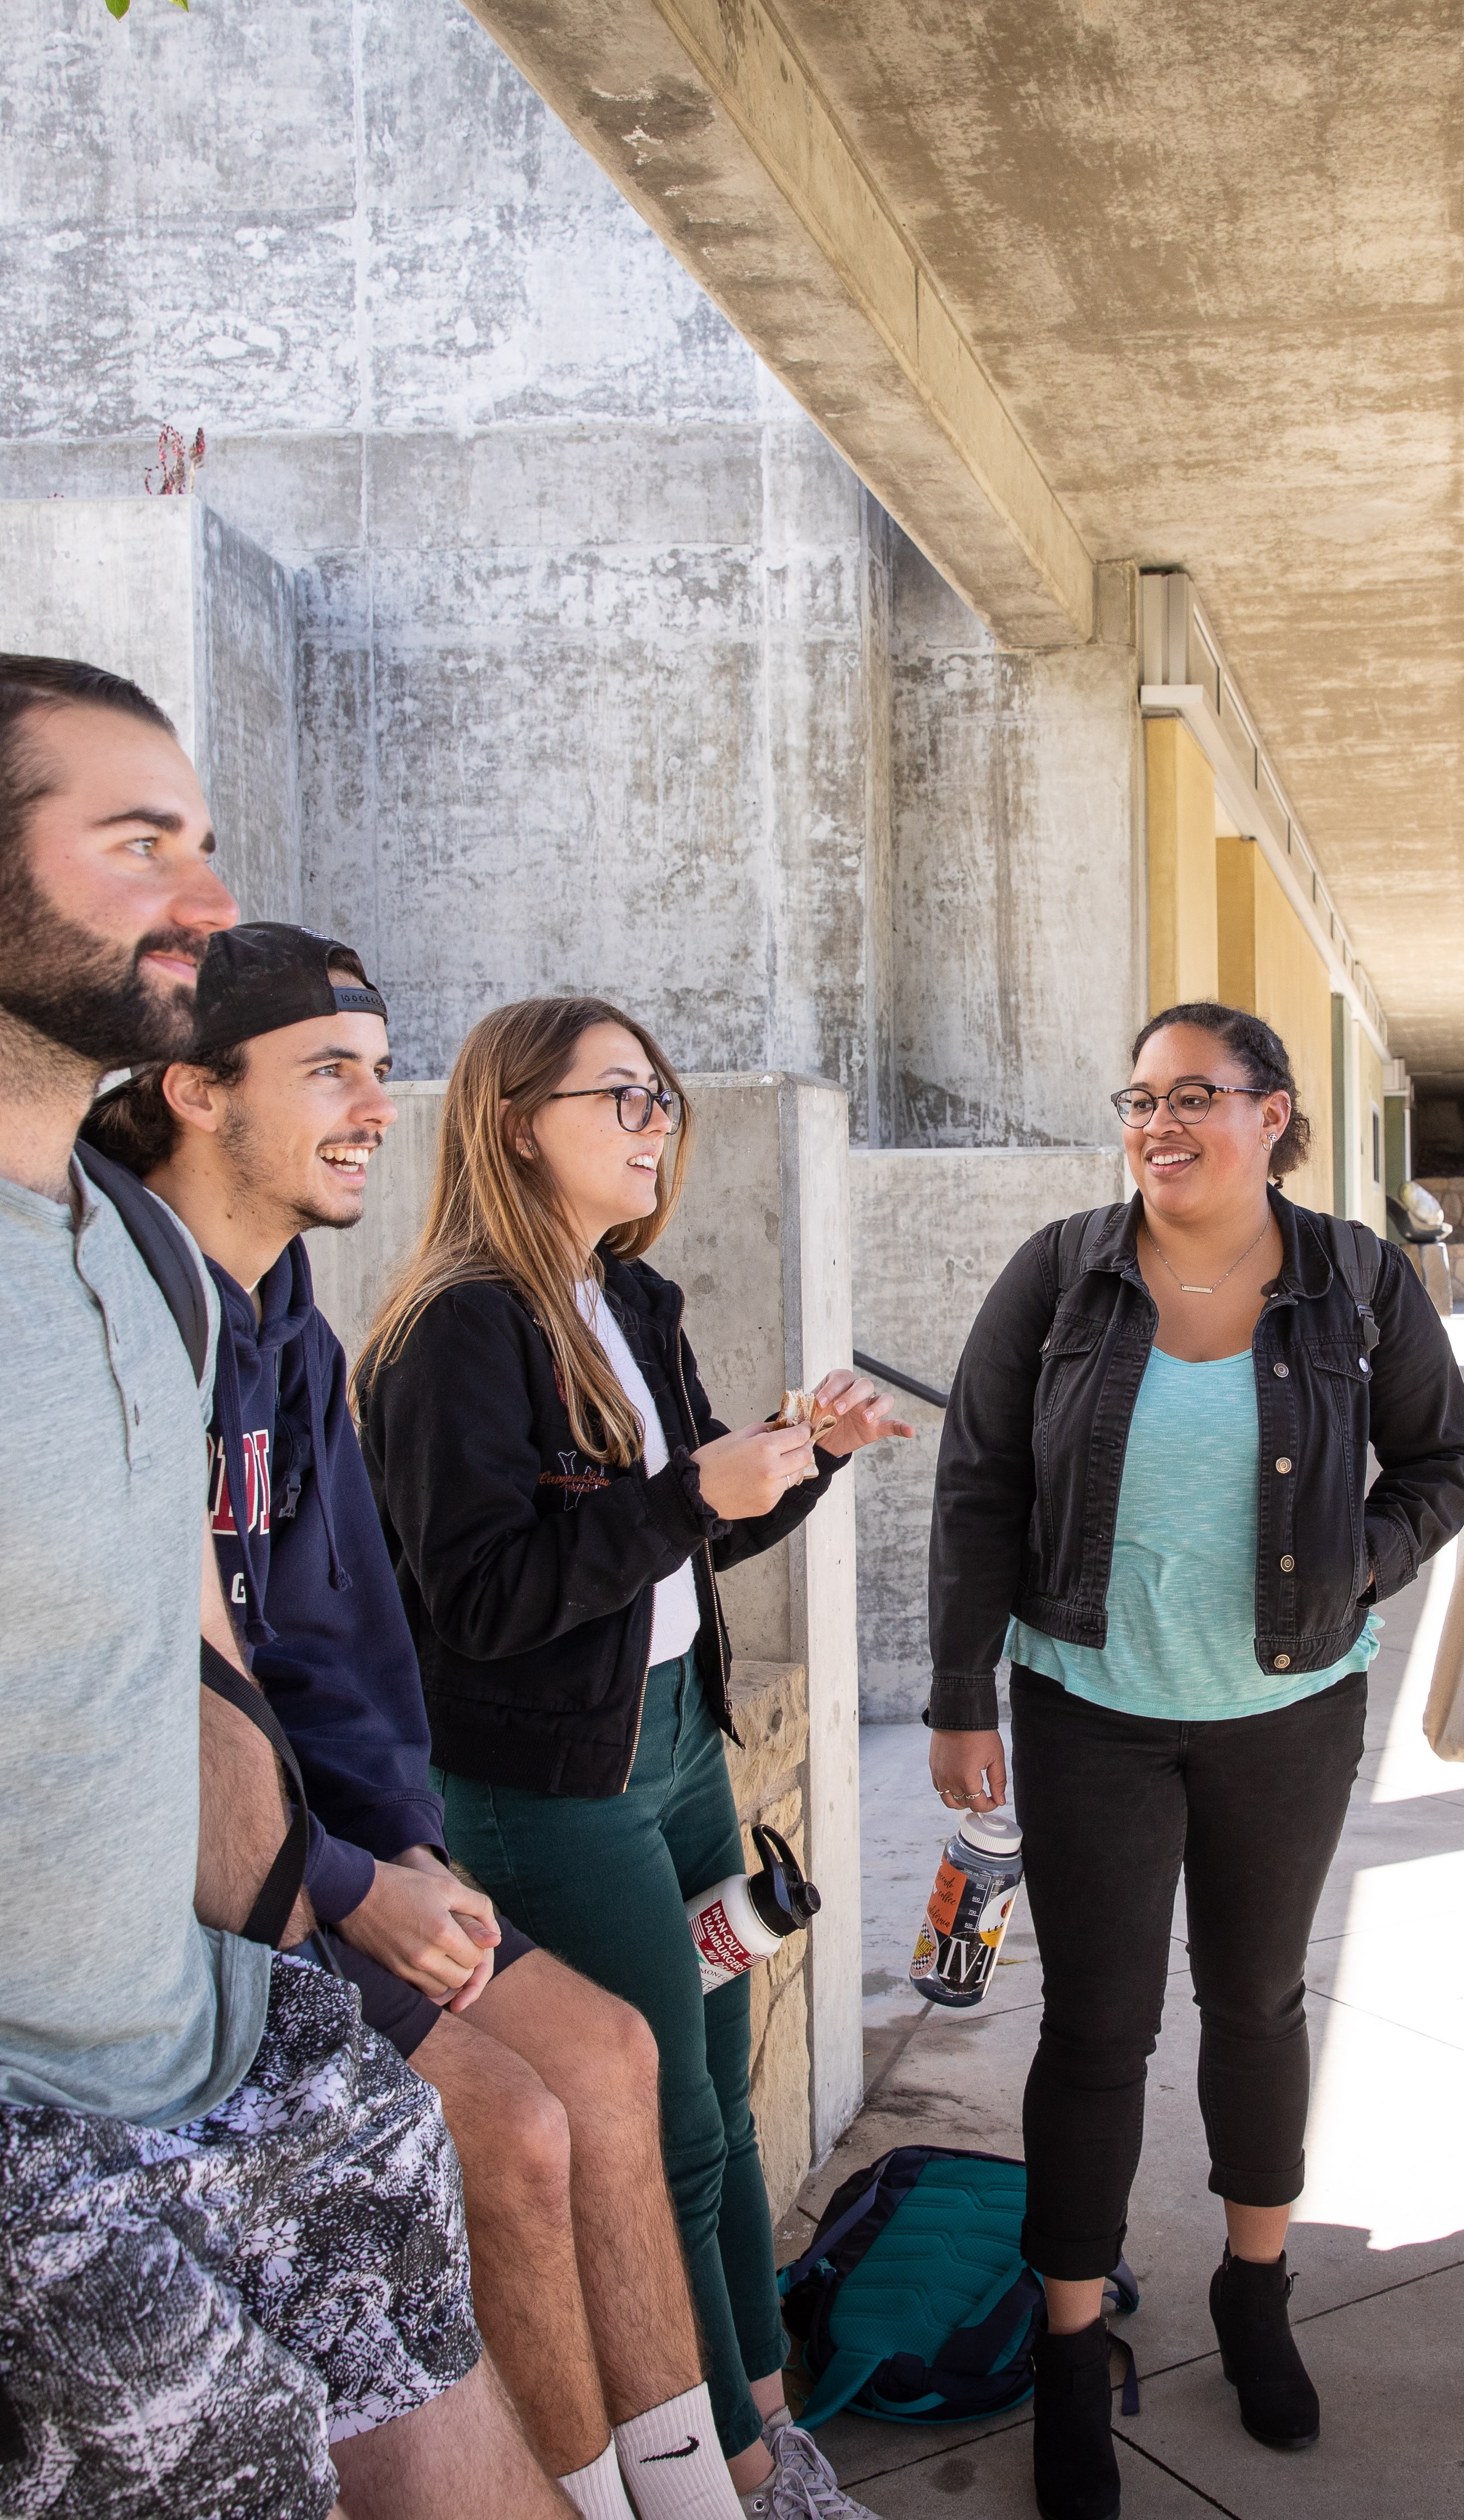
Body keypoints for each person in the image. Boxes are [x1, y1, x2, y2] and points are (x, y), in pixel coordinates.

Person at [86, 923, 777, 2520]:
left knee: (617, 2058)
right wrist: (354, 1880)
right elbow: (173, 1688)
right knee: (530, 2129)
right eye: (331, 1069)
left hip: (366, 1837)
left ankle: (710, 2493)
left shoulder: (290, 1327)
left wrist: (395, 1844)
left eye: (381, 1070)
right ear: (193, 1090)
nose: (374, 1104)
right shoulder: (137, 1319)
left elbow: (339, 1654)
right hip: (193, 1899)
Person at [0, 654, 568, 2518]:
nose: (208, 896)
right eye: (140, 841)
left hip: (223, 2033)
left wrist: (326, 1907)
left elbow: (223, 1663)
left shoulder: (136, 1265)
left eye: (209, 843)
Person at [925, 1001, 1464, 2520]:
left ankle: (1254, 2292)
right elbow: (977, 1477)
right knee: (1096, 2032)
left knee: (1253, 2003)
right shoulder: (1062, 1272)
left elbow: (1445, 1460)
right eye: (1140, 1099)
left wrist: (1358, 1566)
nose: (1159, 1125)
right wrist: (959, 1691)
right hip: (1086, 1705)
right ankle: (1063, 2355)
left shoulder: (1357, 1278)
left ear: (1275, 1116)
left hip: (1290, 1708)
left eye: (1196, 1098)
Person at [356, 996, 910, 2517]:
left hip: (674, 1750)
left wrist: (800, 1459)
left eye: (662, 1095)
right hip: (554, 1789)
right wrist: (691, 1493)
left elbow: (684, 1531)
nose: (657, 1120)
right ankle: (730, 2469)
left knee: (720, 2101)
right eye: (621, 1096)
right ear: (516, 1121)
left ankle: (769, 2407)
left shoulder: (633, 1298)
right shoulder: (457, 1330)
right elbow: (476, 1601)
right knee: (658, 2131)